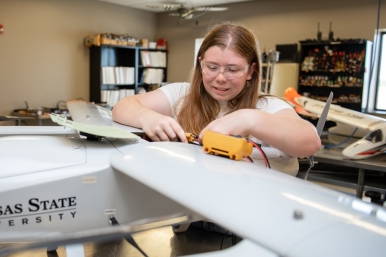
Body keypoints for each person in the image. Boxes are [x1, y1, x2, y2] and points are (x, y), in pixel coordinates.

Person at [112, 21, 320, 158]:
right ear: (200, 64)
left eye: (233, 69)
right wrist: (148, 118)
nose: (220, 78)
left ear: (251, 71)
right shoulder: (179, 94)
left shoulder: (268, 107)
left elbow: (310, 142)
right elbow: (122, 107)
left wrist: (248, 119)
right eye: (212, 67)